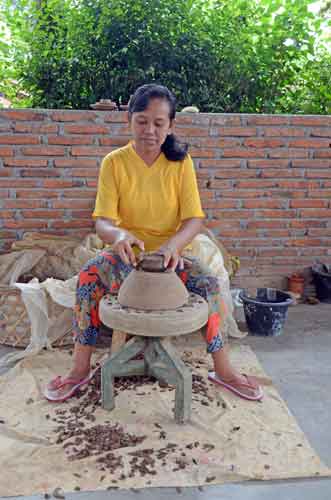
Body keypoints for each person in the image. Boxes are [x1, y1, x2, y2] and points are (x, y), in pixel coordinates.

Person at [44, 84, 263, 403]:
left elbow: (194, 220)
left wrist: (173, 246)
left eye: (159, 123)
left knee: (210, 286)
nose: (150, 130)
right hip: (127, 256)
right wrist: (119, 235)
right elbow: (102, 221)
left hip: (172, 257)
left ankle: (225, 370)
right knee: (89, 278)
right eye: (142, 121)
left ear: (171, 125)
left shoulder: (180, 163)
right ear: (129, 121)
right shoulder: (114, 162)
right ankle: (79, 369)